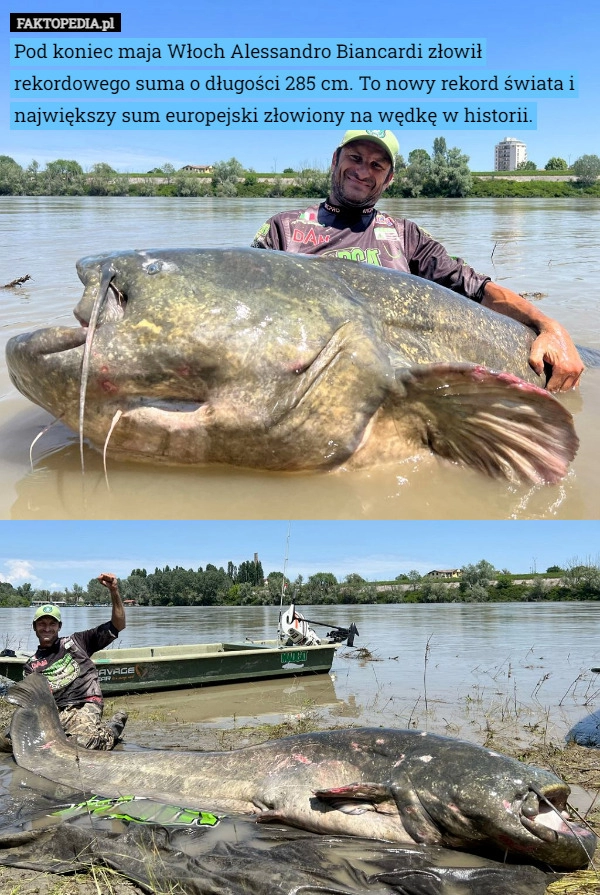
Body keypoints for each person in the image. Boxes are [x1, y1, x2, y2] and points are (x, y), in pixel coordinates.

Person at [252, 129, 583, 393]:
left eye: (377, 165)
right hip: (309, 382)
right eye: (355, 157)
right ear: (335, 159)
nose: (363, 171)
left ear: (389, 178)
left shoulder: (405, 235)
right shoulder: (283, 229)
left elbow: (478, 289)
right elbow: (248, 312)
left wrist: (549, 327)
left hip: (395, 385)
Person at [22, 572, 128, 750]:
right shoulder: (30, 666)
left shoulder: (77, 642)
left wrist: (114, 591)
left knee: (81, 745)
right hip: (56, 713)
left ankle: (111, 730)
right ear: (34, 627)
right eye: (42, 624)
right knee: (13, 742)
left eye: (52, 624)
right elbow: (33, 703)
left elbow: (118, 625)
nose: (47, 628)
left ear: (59, 626)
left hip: (85, 703)